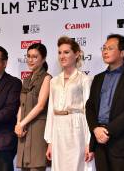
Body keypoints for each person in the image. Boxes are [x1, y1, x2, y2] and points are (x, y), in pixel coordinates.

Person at [86, 34, 124, 171]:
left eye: (110, 48)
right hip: (99, 142)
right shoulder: (98, 78)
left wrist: (107, 131)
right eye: (104, 48)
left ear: (122, 53)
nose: (105, 51)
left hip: (122, 144)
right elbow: (90, 106)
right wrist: (95, 129)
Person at [44, 36, 95, 171]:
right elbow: (50, 111)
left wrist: (89, 142)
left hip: (77, 128)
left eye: (66, 52)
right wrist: (50, 142)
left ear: (77, 54)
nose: (62, 56)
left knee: (76, 167)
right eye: (60, 52)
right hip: (58, 130)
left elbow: (88, 111)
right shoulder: (54, 81)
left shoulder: (85, 79)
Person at [15, 43, 51, 171]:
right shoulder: (26, 79)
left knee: (36, 166)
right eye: (28, 56)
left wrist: (22, 123)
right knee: (24, 167)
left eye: (35, 57)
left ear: (43, 58)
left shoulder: (47, 78)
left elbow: (41, 105)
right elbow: (21, 104)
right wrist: (18, 123)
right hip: (24, 129)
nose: (30, 60)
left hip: (37, 129)